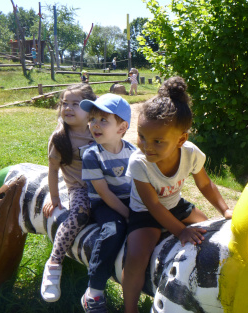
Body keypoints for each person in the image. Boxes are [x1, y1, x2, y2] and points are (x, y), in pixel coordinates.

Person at [122, 77, 233, 313]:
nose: (146, 146)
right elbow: (152, 205)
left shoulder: (191, 154)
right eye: (142, 136)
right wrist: (181, 230)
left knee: (209, 232)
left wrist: (225, 209)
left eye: (157, 141)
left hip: (176, 205)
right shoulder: (139, 162)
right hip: (145, 214)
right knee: (136, 259)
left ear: (181, 139)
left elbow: (205, 185)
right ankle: (129, 309)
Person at [79, 94, 137, 312]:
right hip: (104, 204)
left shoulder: (133, 152)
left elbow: (138, 184)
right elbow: (103, 192)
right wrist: (127, 214)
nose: (95, 124)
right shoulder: (92, 155)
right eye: (92, 119)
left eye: (104, 120)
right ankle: (94, 291)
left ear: (122, 128)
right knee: (113, 230)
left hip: (129, 200)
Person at [40, 83, 97, 302]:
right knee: (79, 215)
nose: (68, 108)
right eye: (65, 103)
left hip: (104, 184)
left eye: (75, 104)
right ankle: (54, 262)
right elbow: (53, 170)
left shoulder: (97, 129)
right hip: (80, 187)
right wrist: (55, 198)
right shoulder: (60, 138)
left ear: (91, 110)